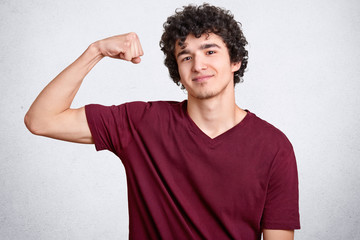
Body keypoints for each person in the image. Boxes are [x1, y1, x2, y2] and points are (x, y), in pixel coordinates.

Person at [24, 4, 300, 240]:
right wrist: (95, 51)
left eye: (210, 51)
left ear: (235, 60)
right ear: (177, 71)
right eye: (186, 56)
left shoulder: (274, 147)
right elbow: (41, 120)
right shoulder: (140, 124)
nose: (198, 65)